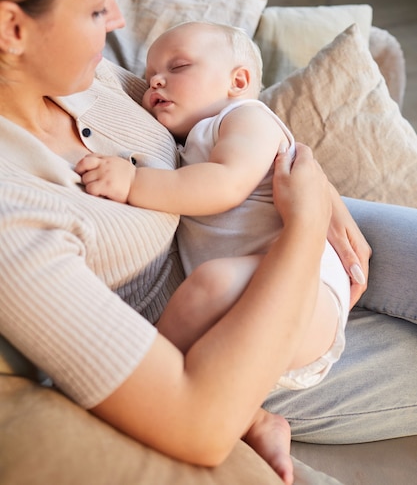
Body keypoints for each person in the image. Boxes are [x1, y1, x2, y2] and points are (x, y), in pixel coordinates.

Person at [0, 0, 416, 485]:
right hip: (222, 329)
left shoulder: (92, 79)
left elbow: (221, 110)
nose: (117, 22)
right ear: (12, 27)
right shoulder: (14, 211)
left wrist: (307, 175)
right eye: (95, 8)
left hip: (263, 227)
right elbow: (194, 417)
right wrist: (303, 229)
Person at [76, 21, 353, 400]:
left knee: (209, 286)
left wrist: (133, 183)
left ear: (238, 82)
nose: (155, 81)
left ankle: (142, 385)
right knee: (211, 294)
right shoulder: (191, 138)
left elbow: (227, 183)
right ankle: (254, 422)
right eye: (150, 75)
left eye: (178, 67)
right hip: (253, 313)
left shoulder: (246, 117)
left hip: (307, 293)